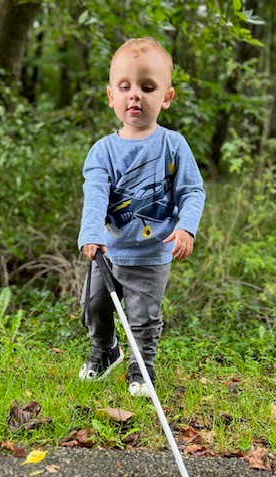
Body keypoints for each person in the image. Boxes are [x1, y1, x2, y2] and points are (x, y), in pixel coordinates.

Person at [78, 35, 205, 396]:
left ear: (166, 97)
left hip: (150, 256)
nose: (135, 94)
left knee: (143, 317)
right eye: (125, 86)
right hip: (107, 251)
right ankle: (106, 351)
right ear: (111, 96)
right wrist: (91, 232)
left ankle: (141, 369)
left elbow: (192, 191)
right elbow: (96, 194)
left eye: (147, 87)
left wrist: (186, 228)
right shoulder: (103, 151)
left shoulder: (173, 144)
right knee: (93, 306)